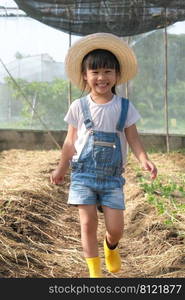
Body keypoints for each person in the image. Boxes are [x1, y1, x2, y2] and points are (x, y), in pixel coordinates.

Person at [50, 33, 157, 278]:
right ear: (86, 76)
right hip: (83, 175)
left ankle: (111, 247)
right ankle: (95, 273)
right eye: (95, 72)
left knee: (116, 228)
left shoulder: (124, 107)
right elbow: (70, 141)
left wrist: (144, 159)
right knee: (87, 224)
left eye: (108, 71)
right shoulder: (78, 106)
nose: (101, 77)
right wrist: (61, 168)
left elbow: (133, 139)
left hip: (112, 178)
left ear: (117, 75)